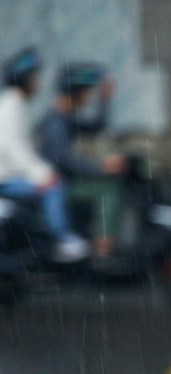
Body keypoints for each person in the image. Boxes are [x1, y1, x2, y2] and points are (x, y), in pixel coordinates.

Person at [0, 47, 90, 263]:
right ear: (25, 79)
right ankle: (62, 239)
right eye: (34, 77)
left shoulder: (15, 104)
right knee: (54, 186)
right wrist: (41, 174)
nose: (37, 83)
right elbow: (12, 148)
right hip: (6, 179)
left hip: (11, 174)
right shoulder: (11, 106)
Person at [38, 63, 125, 257]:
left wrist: (105, 101)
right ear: (75, 92)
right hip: (61, 184)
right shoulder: (55, 123)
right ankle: (103, 248)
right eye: (87, 91)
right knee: (108, 189)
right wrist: (101, 167)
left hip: (63, 180)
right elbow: (64, 160)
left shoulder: (65, 119)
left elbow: (96, 126)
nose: (89, 96)